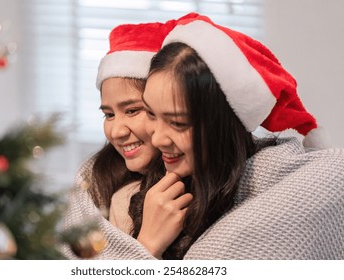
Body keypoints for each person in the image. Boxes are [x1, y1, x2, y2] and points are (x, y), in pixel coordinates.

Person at [131, 14, 343, 259]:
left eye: (177, 123)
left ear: (223, 123)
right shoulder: (147, 185)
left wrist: (143, 250)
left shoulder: (290, 190)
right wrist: (147, 243)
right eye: (150, 113)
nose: (157, 139)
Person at [60, 14, 199, 259]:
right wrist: (147, 244)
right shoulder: (114, 192)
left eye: (132, 110)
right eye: (109, 115)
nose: (116, 131)